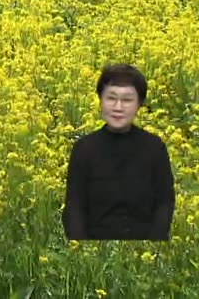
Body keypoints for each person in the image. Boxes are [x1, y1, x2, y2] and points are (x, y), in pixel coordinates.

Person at [63, 64, 174, 240]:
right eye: (111, 98)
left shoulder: (154, 148)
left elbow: (164, 204)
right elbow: (74, 206)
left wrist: (153, 246)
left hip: (145, 250)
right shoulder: (84, 149)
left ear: (139, 104)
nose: (118, 107)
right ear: (100, 100)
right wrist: (82, 250)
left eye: (127, 100)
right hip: (95, 253)